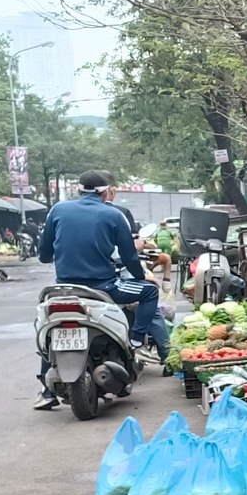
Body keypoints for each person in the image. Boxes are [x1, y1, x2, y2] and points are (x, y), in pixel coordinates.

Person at [36, 171, 171, 408]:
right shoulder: (114, 214)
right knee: (150, 291)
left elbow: (44, 254)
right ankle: (137, 341)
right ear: (106, 192)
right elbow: (129, 256)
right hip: (103, 286)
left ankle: (46, 391)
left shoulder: (57, 210)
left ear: (78, 190)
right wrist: (141, 277)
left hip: (64, 288)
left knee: (51, 330)